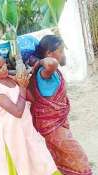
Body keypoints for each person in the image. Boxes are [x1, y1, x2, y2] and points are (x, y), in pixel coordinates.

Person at [0, 51, 60, 175]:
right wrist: (22, 87)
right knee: (21, 167)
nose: (5, 68)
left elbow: (31, 99)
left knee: (44, 163)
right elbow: (17, 112)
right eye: (0, 68)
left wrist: (24, 84)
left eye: (4, 64)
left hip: (27, 130)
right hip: (11, 136)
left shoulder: (11, 79)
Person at [29, 35, 92, 175]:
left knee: (64, 158)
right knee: (79, 158)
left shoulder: (53, 72)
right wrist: (39, 62)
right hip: (52, 126)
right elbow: (51, 63)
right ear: (49, 54)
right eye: (61, 51)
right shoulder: (43, 72)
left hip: (58, 123)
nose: (64, 54)